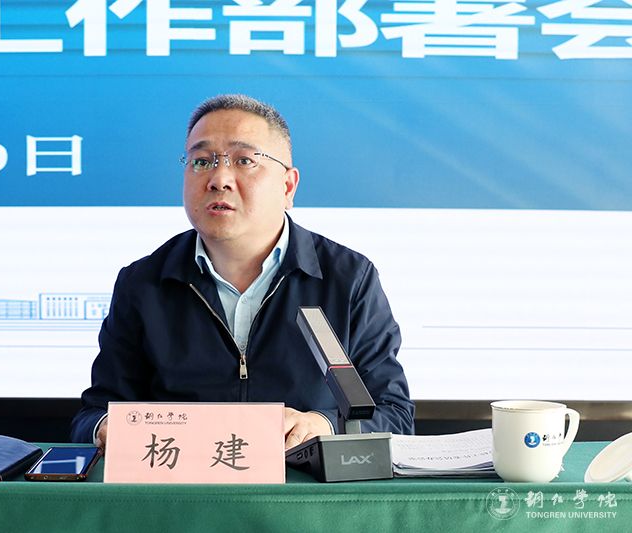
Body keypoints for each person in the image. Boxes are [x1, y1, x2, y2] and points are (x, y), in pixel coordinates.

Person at [71, 94, 414, 450]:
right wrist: (105, 428)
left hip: (301, 482)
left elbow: (395, 415)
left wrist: (325, 425)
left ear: (288, 186)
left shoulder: (348, 279)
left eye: (244, 160)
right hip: (184, 481)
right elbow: (94, 414)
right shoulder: (143, 283)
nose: (219, 179)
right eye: (201, 161)